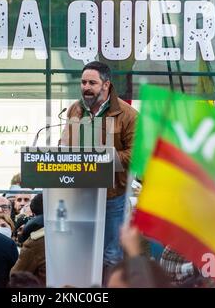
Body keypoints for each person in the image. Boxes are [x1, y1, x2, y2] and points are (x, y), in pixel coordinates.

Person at [60, 61, 137, 274]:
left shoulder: (128, 114)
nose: (86, 87)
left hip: (113, 196)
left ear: (106, 85)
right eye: (83, 82)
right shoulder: (75, 109)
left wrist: (98, 161)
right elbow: (65, 143)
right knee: (80, 252)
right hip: (80, 193)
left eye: (92, 83)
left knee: (112, 256)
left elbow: (135, 155)